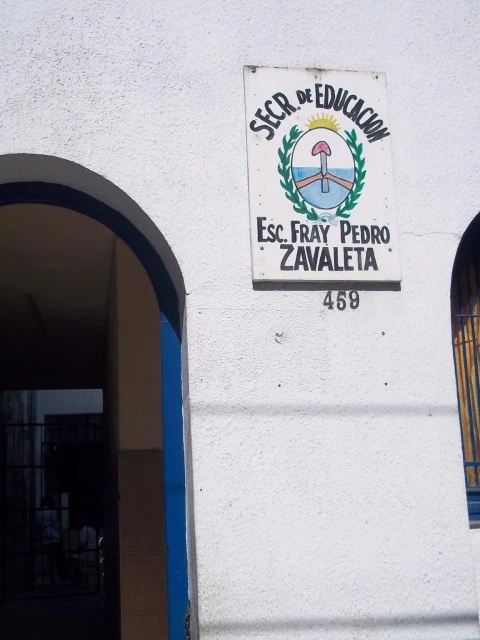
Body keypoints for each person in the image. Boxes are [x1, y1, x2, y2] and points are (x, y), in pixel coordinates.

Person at [36, 494, 67, 586]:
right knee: (59, 559)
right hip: (54, 537)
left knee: (50, 559)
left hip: (44, 537)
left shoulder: (38, 512)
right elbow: (56, 525)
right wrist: (61, 535)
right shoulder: (52, 512)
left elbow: (37, 525)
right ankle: (62, 577)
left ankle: (53, 579)